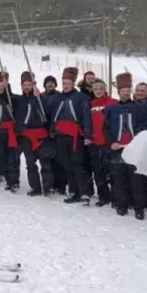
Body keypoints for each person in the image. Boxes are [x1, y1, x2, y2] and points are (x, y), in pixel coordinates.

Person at [104, 73, 147, 219]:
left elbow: (146, 125)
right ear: (118, 92)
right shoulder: (111, 109)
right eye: (122, 91)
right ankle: (121, 205)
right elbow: (105, 128)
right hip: (117, 149)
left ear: (130, 92)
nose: (125, 93)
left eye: (127, 90)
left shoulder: (140, 108)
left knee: (136, 180)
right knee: (119, 179)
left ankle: (139, 208)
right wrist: (112, 142)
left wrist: (137, 139)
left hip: (134, 149)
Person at [47, 67, 93, 204]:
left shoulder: (81, 98)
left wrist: (88, 135)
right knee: (66, 164)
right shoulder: (57, 98)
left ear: (73, 83)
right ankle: (73, 192)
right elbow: (50, 114)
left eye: (68, 82)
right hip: (61, 136)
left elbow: (86, 117)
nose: (65, 85)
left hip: (75, 136)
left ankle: (84, 192)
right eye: (64, 82)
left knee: (77, 164)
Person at [14, 71, 54, 196]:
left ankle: (47, 187)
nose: (26, 87)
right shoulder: (19, 100)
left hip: (41, 134)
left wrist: (39, 98)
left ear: (33, 85)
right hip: (26, 137)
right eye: (24, 85)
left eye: (29, 84)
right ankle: (35, 187)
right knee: (30, 164)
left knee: (45, 162)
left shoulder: (41, 98)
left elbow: (47, 112)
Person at [87, 78, 117, 206]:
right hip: (94, 143)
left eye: (101, 88)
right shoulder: (90, 104)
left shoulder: (113, 103)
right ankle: (103, 196)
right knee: (98, 172)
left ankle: (117, 196)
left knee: (113, 172)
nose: (98, 91)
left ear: (105, 89)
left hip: (109, 143)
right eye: (95, 89)